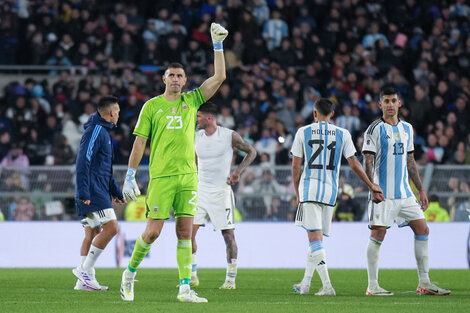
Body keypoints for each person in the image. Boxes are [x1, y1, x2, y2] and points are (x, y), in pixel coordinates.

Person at [120, 23, 228, 304]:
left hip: (189, 177)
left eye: (180, 76)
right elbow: (140, 142)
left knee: (184, 232)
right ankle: (129, 274)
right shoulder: (152, 107)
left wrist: (217, 46)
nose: (176, 79)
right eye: (172, 75)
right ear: (164, 79)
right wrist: (130, 175)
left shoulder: (192, 101)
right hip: (162, 177)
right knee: (153, 232)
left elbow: (219, 77)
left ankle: (184, 288)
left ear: (185, 79)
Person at [362, 86, 451, 296]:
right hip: (382, 194)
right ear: (380, 104)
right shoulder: (374, 129)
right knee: (378, 234)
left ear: (399, 103)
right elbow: (367, 160)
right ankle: (372, 286)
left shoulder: (407, 129)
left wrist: (420, 190)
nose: (390, 105)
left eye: (394, 101)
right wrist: (372, 187)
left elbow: (411, 161)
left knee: (423, 230)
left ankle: (424, 283)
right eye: (386, 101)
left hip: (405, 194)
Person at [291, 98, 384, 296]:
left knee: (314, 238)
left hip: (309, 189)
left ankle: (327, 286)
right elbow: (354, 164)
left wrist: (297, 192)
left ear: (314, 113)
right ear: (332, 114)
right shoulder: (343, 134)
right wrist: (371, 185)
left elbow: (296, 166)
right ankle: (305, 283)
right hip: (330, 191)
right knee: (316, 238)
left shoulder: (303, 132)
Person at [191, 101, 257, 290]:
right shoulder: (195, 137)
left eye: (198, 117)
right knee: (188, 233)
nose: (196, 120)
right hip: (200, 191)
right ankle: (192, 274)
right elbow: (194, 163)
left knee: (228, 236)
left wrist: (238, 172)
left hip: (221, 192)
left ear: (209, 118)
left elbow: (252, 151)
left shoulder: (229, 136)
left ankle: (230, 279)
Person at [73, 95, 126, 290]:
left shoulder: (101, 131)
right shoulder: (96, 131)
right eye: (118, 112)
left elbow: (105, 169)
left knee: (92, 232)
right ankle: (84, 270)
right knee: (112, 228)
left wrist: (116, 192)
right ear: (111, 113)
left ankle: (83, 282)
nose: (119, 115)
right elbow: (83, 161)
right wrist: (85, 191)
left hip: (95, 187)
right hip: (92, 190)